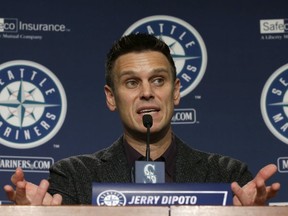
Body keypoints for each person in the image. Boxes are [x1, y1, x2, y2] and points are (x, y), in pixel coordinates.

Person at [3, 33, 280, 206]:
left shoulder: (228, 176)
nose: (147, 93)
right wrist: (35, 214)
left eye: (158, 80)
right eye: (132, 82)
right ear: (111, 98)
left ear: (176, 92)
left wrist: (254, 215)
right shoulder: (74, 177)